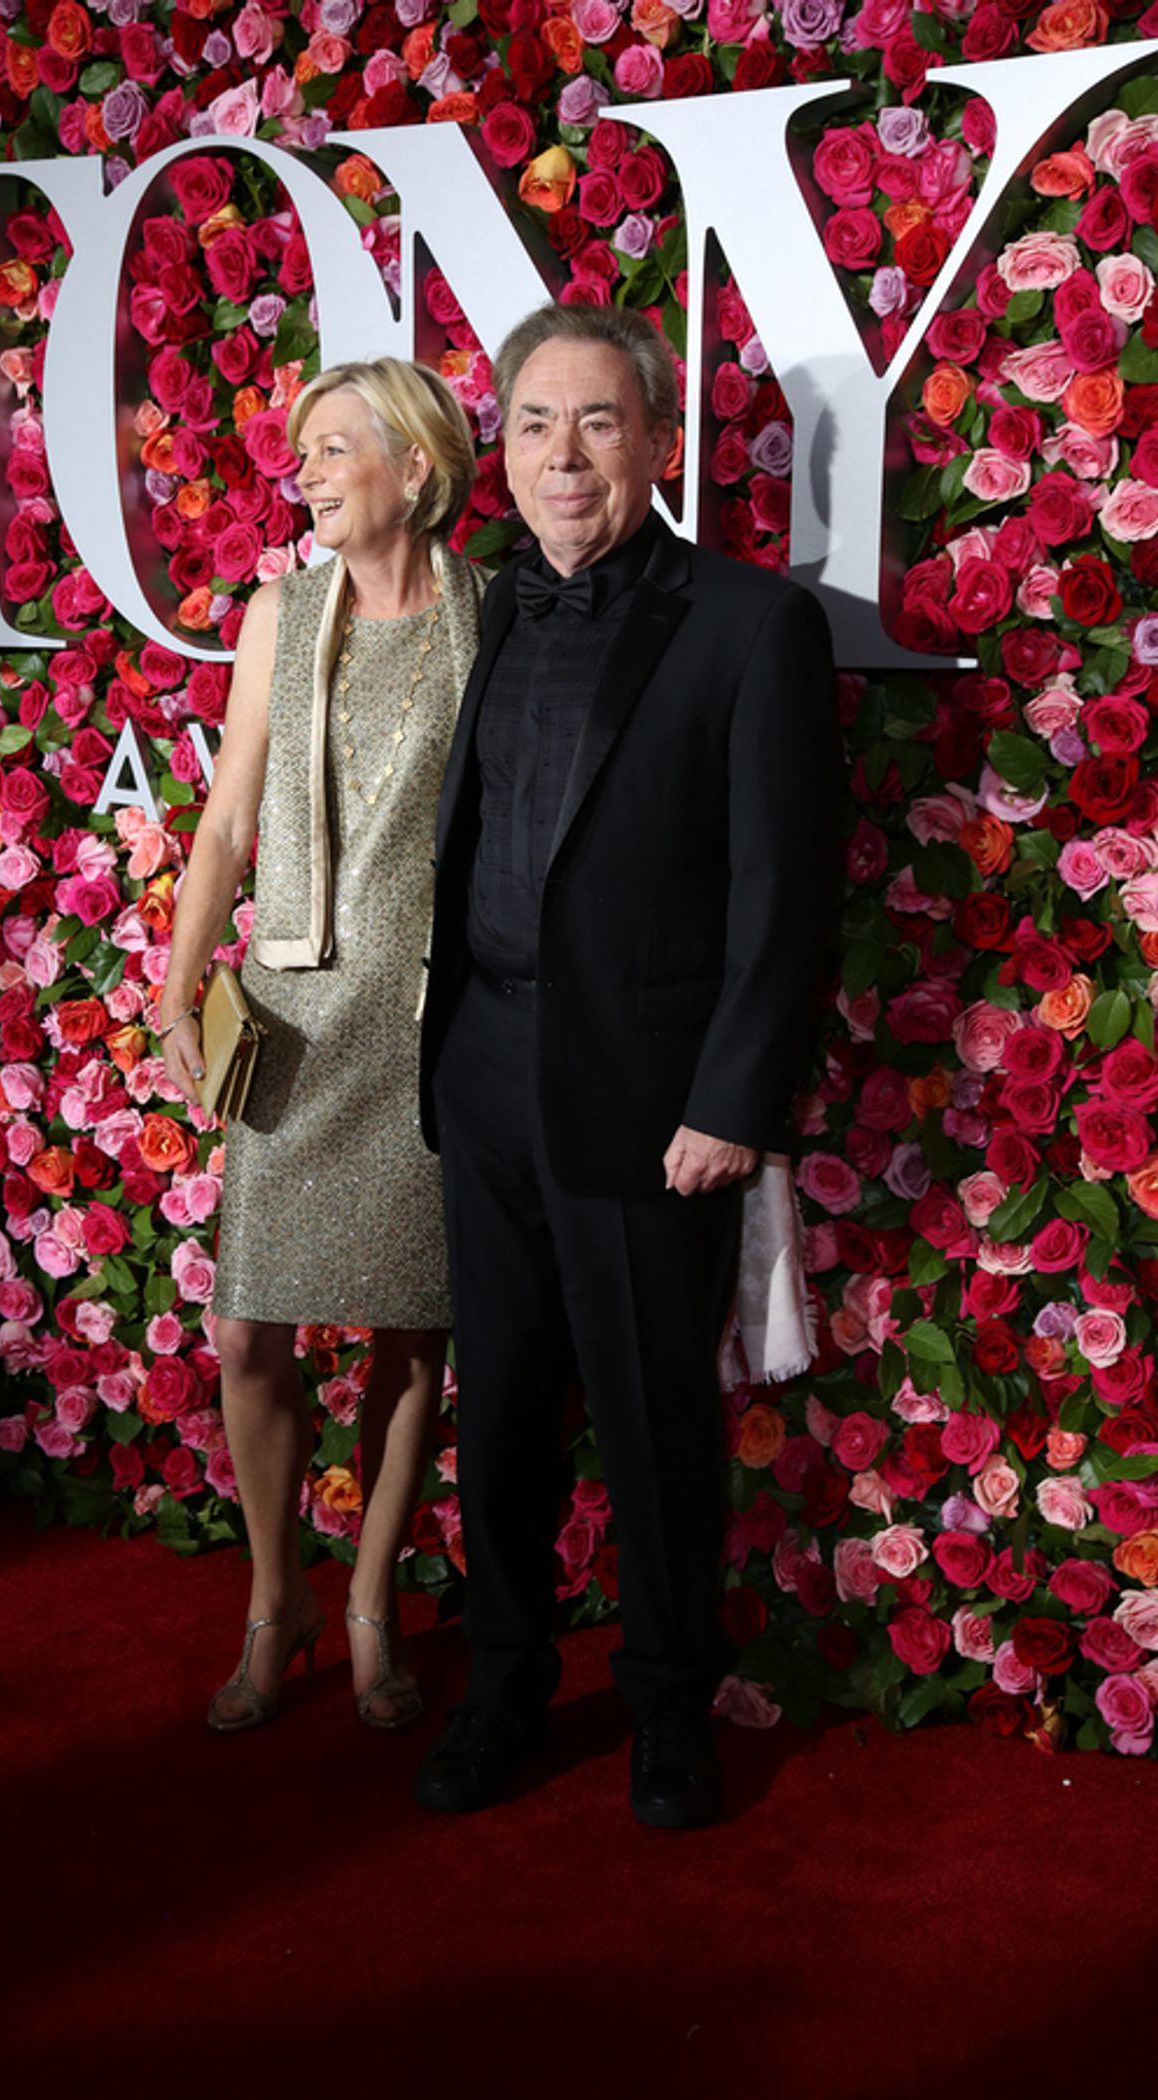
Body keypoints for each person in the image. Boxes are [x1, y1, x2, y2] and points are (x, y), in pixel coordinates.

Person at [413, 304, 840, 1827]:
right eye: (535, 423)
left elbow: (783, 892)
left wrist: (732, 1100)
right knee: (506, 1413)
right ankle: (509, 1687)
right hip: (483, 1073)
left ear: (660, 444)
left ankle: (668, 1708)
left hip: (650, 1098)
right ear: (501, 450)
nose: (564, 455)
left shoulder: (748, 623)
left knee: (656, 1424)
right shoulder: (480, 611)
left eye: (598, 422)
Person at [158, 358, 480, 1734]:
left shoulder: (495, 615)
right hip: (291, 1017)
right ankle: (273, 1600)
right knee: (247, 1334)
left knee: (416, 1329)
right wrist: (179, 990)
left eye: (334, 445)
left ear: (416, 468)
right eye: (303, 449)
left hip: (426, 1022)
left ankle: (369, 1608)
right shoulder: (278, 616)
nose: (305, 468)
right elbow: (229, 819)